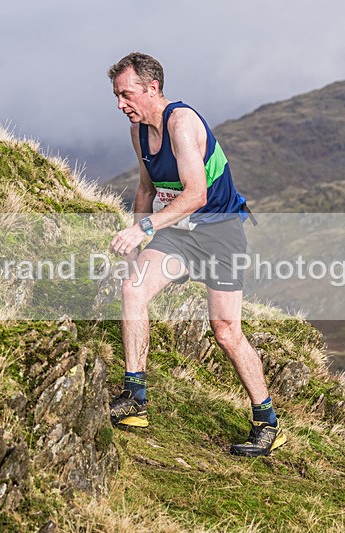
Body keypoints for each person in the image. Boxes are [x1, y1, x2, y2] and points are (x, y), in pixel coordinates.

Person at [105, 52, 285, 457]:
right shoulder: (138, 132)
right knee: (132, 288)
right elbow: (146, 190)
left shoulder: (182, 123)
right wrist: (137, 240)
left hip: (220, 232)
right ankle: (135, 398)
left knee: (225, 331)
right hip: (180, 235)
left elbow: (196, 194)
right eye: (116, 96)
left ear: (152, 88)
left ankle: (267, 422)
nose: (121, 104)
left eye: (126, 94)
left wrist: (144, 227)